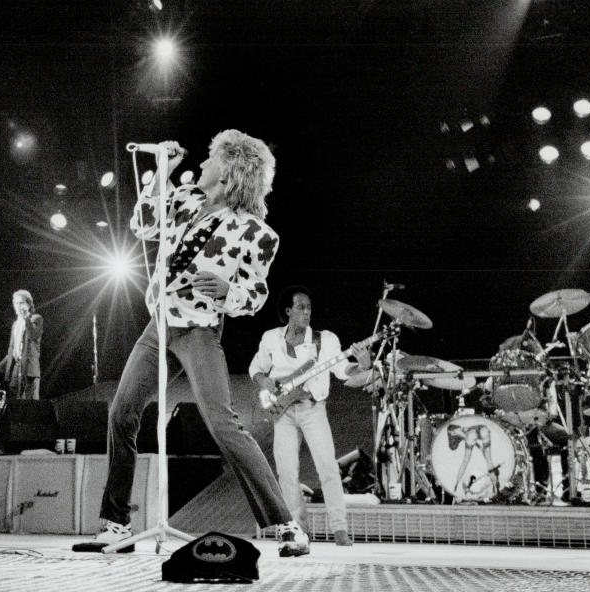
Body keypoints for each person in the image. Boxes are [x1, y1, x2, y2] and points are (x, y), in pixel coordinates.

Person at [76, 129, 308, 557]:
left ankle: (285, 524)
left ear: (229, 172)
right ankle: (115, 524)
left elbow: (255, 296)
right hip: (158, 326)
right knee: (122, 411)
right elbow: (142, 225)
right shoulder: (184, 200)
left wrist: (228, 290)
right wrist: (159, 175)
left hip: (199, 329)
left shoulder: (257, 233)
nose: (201, 164)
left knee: (221, 422)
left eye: (210, 159)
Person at [249, 286, 373, 548]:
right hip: (283, 412)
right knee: (286, 472)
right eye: (301, 307)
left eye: (309, 308)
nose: (307, 312)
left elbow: (342, 371)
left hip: (313, 409)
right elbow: (256, 369)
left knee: (328, 468)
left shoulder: (325, 340)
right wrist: (266, 383)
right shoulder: (271, 338)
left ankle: (340, 529)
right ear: (288, 311)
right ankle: (297, 530)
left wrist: (361, 365)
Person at [0, 290, 44, 400]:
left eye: (21, 303)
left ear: (29, 304)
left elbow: (33, 335)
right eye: (16, 303)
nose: (18, 306)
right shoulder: (15, 324)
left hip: (29, 368)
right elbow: (11, 351)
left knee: (29, 404)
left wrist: (26, 318)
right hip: (17, 367)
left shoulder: (36, 319)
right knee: (13, 395)